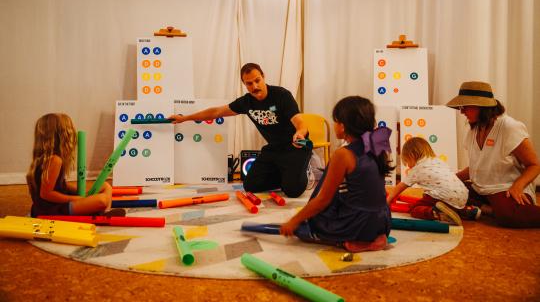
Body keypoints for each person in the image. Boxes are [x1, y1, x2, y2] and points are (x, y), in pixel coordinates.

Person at [169, 63, 312, 198]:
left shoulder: (281, 95)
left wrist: (299, 133)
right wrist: (185, 118)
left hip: (295, 147)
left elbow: (299, 121)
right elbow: (216, 112)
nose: (255, 86)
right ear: (244, 84)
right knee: (250, 185)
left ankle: (300, 172)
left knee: (292, 191)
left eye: (257, 80)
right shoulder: (246, 102)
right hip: (274, 149)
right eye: (249, 83)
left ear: (263, 77)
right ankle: (287, 175)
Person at [280, 96, 393, 252]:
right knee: (338, 195)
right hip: (382, 221)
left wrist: (293, 221)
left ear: (343, 126)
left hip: (360, 224)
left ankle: (362, 243)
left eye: (335, 121)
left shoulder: (343, 155)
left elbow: (322, 200)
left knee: (307, 228)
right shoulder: (375, 145)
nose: (334, 125)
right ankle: (372, 237)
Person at [446, 81, 540, 228]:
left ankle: (493, 210)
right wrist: (449, 179)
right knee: (447, 191)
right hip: (482, 189)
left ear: (482, 107)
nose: (461, 112)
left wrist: (518, 186)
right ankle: (491, 209)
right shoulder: (474, 129)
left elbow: (534, 165)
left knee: (507, 216)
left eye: (465, 107)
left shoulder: (509, 127)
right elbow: (476, 168)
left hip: (505, 189)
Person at [26, 113, 120, 217]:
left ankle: (104, 213)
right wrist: (76, 199)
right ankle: (101, 214)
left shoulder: (51, 158)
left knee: (106, 186)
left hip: (56, 205)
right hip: (52, 210)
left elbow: (61, 185)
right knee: (102, 200)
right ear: (61, 135)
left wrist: (83, 193)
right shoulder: (54, 160)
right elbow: (46, 194)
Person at [386, 137, 481, 226]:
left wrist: (388, 200)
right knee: (449, 202)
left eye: (408, 162)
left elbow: (401, 186)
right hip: (463, 196)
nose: (408, 166)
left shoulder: (417, 169)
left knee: (415, 209)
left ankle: (436, 213)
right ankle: (468, 211)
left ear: (412, 156)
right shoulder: (438, 161)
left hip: (444, 196)